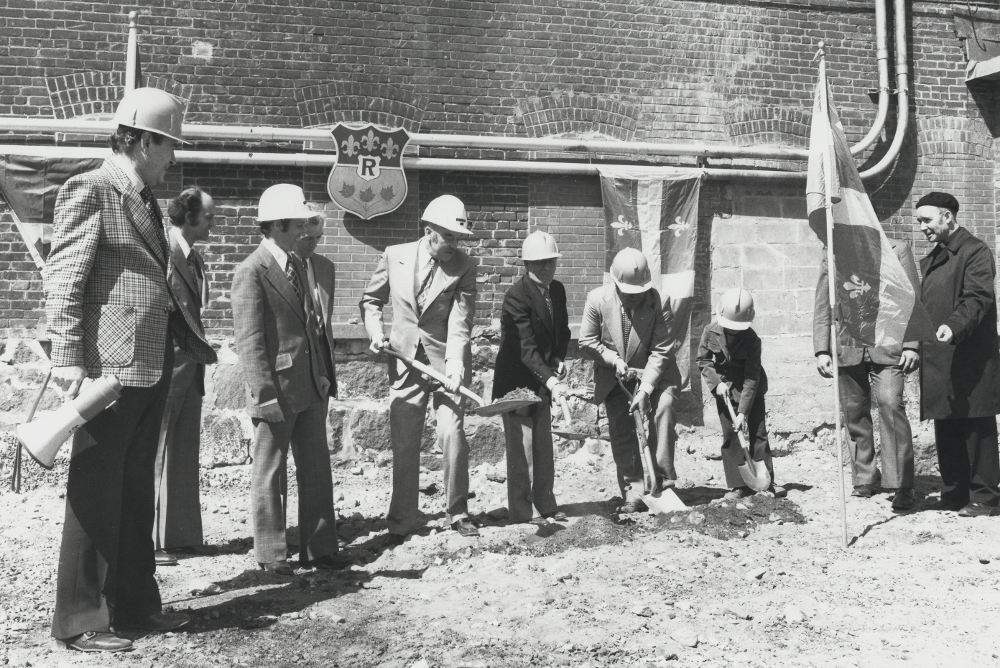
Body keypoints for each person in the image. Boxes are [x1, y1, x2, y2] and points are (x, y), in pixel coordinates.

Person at [45, 88, 217, 652]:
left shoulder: (141, 193)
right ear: (141, 139)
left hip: (147, 363)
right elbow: (65, 278)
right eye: (169, 145)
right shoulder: (92, 188)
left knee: (136, 490)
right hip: (106, 369)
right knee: (96, 490)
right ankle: (80, 619)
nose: (174, 158)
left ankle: (135, 606)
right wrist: (69, 357)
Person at [231, 184, 349, 576]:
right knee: (270, 472)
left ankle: (319, 547)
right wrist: (263, 395)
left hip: (310, 386)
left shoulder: (298, 264)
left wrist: (322, 377)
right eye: (298, 223)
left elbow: (311, 329)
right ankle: (272, 554)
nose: (304, 229)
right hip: (276, 391)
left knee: (316, 467)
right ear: (280, 224)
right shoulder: (250, 271)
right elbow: (250, 341)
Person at [360, 194, 479, 539]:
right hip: (405, 361)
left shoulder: (465, 267)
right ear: (430, 231)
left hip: (446, 366)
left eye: (459, 238)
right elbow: (371, 300)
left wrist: (455, 366)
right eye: (450, 237)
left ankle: (457, 512)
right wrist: (375, 331)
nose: (455, 245)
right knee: (405, 441)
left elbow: (461, 321)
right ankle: (402, 519)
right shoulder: (394, 256)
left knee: (453, 434)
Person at [813, 241, 921, 511]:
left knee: (890, 404)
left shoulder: (897, 250)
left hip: (888, 345)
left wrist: (911, 345)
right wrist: (821, 349)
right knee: (853, 411)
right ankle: (865, 476)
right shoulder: (833, 251)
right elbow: (823, 304)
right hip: (848, 346)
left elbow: (913, 300)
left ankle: (901, 484)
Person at [916, 192, 1000, 517]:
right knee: (947, 427)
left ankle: (986, 497)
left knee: (976, 429)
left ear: (947, 217)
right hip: (939, 356)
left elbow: (977, 297)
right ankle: (954, 493)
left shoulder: (975, 251)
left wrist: (953, 326)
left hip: (970, 357)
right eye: (919, 221)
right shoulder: (934, 258)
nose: (922, 227)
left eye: (926, 220)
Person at [578, 247, 679, 513]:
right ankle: (634, 492)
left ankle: (662, 481)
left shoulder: (660, 301)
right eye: (628, 293)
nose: (634, 298)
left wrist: (646, 389)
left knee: (664, 409)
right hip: (616, 375)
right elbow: (586, 341)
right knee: (623, 432)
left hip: (654, 374)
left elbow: (662, 350)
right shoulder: (597, 300)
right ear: (615, 283)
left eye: (639, 293)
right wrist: (613, 360)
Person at [153, 187, 218, 565]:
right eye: (208, 216)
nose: (213, 222)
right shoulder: (164, 251)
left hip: (189, 368)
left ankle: (178, 535)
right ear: (189, 216)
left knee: (182, 452)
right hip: (164, 367)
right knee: (156, 452)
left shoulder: (195, 258)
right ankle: (150, 540)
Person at [492, 231, 571, 524]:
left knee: (543, 445)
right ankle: (523, 512)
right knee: (522, 448)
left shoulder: (558, 290)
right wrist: (552, 380)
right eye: (539, 263)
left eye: (550, 262)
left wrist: (558, 361)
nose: (546, 268)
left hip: (542, 377)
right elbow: (525, 349)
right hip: (516, 382)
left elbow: (561, 333)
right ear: (527, 264)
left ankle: (546, 505)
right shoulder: (515, 297)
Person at [696, 288, 781, 500]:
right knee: (730, 435)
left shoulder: (752, 340)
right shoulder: (710, 331)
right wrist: (717, 384)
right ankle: (738, 484)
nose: (733, 332)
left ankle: (766, 480)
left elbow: (752, 378)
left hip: (751, 390)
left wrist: (743, 411)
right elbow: (703, 361)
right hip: (724, 390)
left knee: (758, 432)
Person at [296, 214, 338, 400]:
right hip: (296, 355)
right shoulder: (282, 268)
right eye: (308, 238)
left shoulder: (325, 266)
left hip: (322, 351)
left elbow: (325, 315)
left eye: (318, 237)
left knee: (318, 422)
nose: (314, 244)